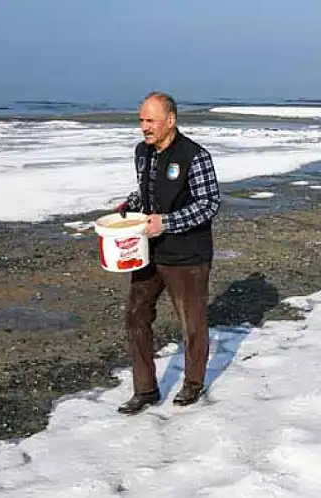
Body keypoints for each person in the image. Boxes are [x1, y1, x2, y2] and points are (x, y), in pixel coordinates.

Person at [114, 91, 221, 413]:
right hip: (149, 250)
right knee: (136, 315)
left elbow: (209, 204)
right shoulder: (142, 152)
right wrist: (130, 205)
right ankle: (145, 389)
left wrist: (168, 222)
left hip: (188, 255)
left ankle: (193, 384)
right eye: (141, 120)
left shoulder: (194, 156)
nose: (144, 127)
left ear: (170, 120)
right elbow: (147, 190)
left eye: (151, 121)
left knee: (192, 323)